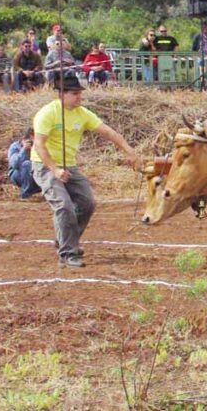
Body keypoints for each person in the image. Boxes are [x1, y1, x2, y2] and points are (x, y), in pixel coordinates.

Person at [32, 74, 141, 267]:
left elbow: (108, 132)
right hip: (45, 166)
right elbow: (39, 145)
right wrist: (55, 170)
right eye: (75, 93)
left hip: (69, 166)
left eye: (80, 93)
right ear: (62, 94)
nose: (79, 97)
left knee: (87, 203)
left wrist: (129, 151)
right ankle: (68, 253)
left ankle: (65, 239)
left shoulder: (82, 113)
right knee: (63, 205)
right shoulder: (47, 113)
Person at [8, 128, 41, 199]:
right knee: (27, 164)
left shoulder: (39, 146)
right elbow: (14, 164)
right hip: (18, 174)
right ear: (24, 139)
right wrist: (24, 150)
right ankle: (25, 194)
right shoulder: (15, 146)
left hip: (37, 173)